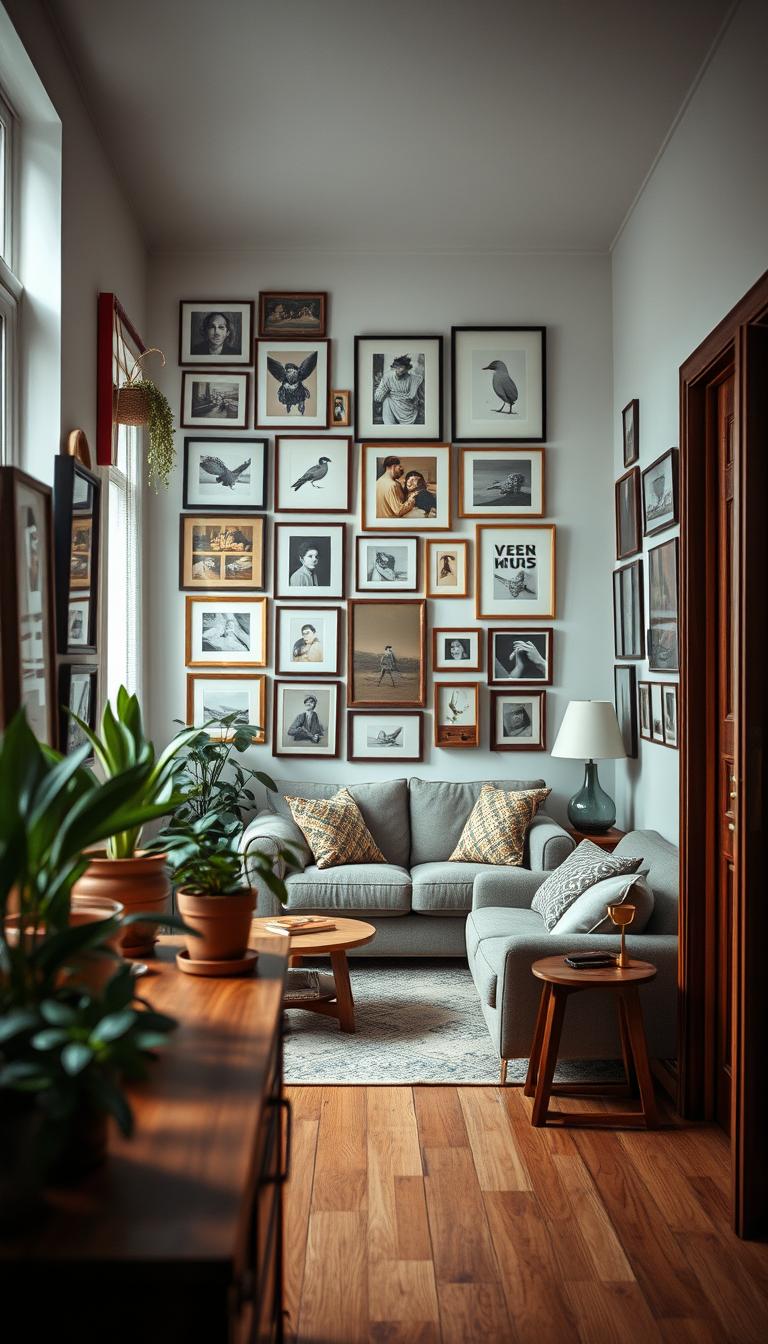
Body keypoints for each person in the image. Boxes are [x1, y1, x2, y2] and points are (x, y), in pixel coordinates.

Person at [373, 354, 423, 424]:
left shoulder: (414, 379)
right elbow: (378, 397)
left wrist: (418, 402)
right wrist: (384, 391)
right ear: (394, 367)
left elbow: (416, 397)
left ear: (407, 369)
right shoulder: (387, 378)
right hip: (391, 404)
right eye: (397, 368)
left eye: (402, 369)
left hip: (407, 408)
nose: (398, 371)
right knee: (387, 401)